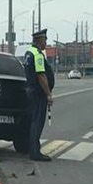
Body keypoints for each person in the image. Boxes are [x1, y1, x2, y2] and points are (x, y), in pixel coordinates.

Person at [24, 28, 55, 162]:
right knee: (37, 122)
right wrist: (48, 94)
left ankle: (32, 149)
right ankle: (35, 152)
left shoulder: (28, 52)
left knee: (33, 121)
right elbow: (41, 75)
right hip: (38, 93)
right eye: (44, 40)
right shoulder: (37, 54)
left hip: (31, 91)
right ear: (39, 40)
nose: (46, 43)